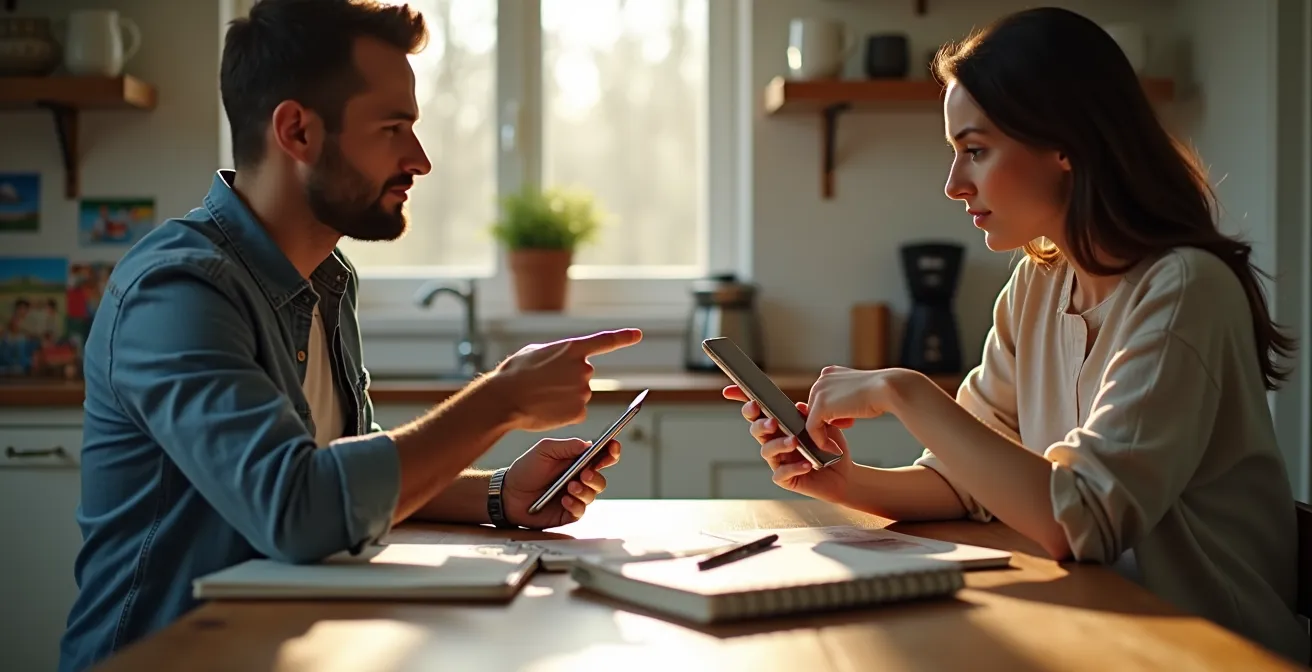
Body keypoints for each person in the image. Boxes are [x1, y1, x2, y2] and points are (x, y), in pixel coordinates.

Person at [58, 1, 642, 669]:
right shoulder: (178, 292)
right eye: (393, 128)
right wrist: (500, 400)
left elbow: (340, 476)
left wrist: (496, 493)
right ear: (297, 131)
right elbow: (298, 507)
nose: (419, 160)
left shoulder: (327, 280)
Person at [726, 7, 1308, 665]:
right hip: (1100, 632)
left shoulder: (1182, 290)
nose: (953, 184)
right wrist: (843, 481)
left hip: (1208, 652)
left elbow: (1080, 521)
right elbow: (970, 481)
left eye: (975, 150)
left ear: (1066, 144)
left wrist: (906, 392)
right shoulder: (1038, 283)